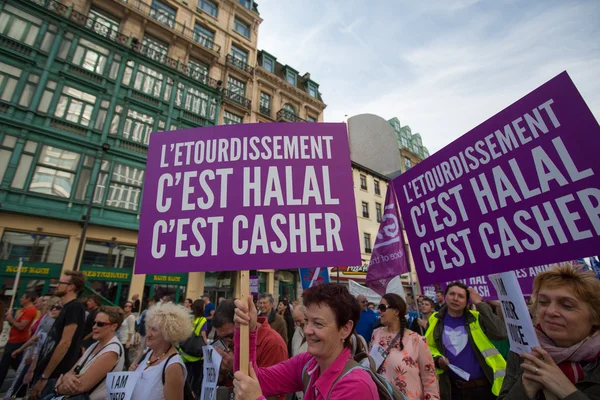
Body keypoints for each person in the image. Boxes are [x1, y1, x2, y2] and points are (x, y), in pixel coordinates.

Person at [232, 283, 378, 400]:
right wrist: (247, 331)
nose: (307, 330)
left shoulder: (356, 386)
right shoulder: (308, 363)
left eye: (318, 324)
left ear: (345, 329)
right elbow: (250, 379)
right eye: (306, 321)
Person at [498, 266, 600, 399]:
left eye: (567, 305)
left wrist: (567, 391)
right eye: (543, 302)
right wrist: (525, 388)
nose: (550, 311)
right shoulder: (523, 351)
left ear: (596, 317)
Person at [425, 282, 507, 400]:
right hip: (452, 389)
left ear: (467, 301)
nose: (455, 298)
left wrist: (479, 303)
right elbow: (428, 347)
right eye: (452, 294)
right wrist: (437, 359)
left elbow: (501, 333)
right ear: (445, 296)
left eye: (461, 296)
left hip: (483, 389)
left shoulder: (477, 318)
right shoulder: (435, 319)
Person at [213, 299, 288, 400]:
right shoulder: (231, 343)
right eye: (221, 338)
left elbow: (269, 394)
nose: (226, 343)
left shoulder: (273, 344)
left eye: (230, 336)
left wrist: (233, 369)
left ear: (244, 322)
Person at [370, 293, 439, 399]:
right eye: (379, 307)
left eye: (382, 307)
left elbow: (430, 380)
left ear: (396, 311)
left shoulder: (416, 340)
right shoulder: (376, 334)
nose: (379, 311)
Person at [49, 306, 125, 400]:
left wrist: (58, 388)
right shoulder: (95, 345)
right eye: (94, 323)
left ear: (114, 326)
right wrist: (67, 377)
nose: (94, 327)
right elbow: (71, 372)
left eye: (100, 324)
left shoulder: (112, 350)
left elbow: (81, 386)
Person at [32, 270, 86, 399]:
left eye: (60, 283)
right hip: (46, 373)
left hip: (53, 375)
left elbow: (65, 343)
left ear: (71, 287)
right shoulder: (66, 307)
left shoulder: (74, 307)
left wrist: (45, 376)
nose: (57, 285)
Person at [130, 303, 192, 400]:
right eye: (149, 328)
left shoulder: (173, 366)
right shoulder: (150, 353)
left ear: (168, 333)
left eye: (154, 330)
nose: (148, 334)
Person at [5, 298, 61, 399]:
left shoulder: (54, 325)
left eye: (57, 308)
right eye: (53, 307)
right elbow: (37, 339)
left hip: (40, 361)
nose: (53, 309)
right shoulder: (46, 318)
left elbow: (41, 344)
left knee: (26, 386)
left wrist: (31, 368)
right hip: (35, 355)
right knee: (21, 383)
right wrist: (24, 351)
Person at [0, 290, 38, 385]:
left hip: (17, 341)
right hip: (13, 339)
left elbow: (21, 326)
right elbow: (14, 324)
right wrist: (9, 318)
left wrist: (11, 319)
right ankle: (25, 379)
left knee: (4, 365)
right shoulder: (23, 310)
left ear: (28, 299)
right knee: (16, 364)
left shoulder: (30, 310)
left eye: (22, 297)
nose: (20, 299)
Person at [179, 299, 208, 395]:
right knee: (197, 376)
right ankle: (194, 393)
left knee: (185, 375)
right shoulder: (203, 320)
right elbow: (203, 335)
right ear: (201, 308)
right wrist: (207, 345)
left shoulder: (189, 317)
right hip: (197, 354)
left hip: (185, 351)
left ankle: (183, 392)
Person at [119, 301, 136, 369]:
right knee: (123, 356)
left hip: (126, 339)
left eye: (130, 306)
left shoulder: (131, 317)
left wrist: (128, 341)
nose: (127, 308)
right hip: (121, 337)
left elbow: (131, 329)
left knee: (125, 356)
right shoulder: (124, 316)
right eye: (126, 306)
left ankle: (129, 369)